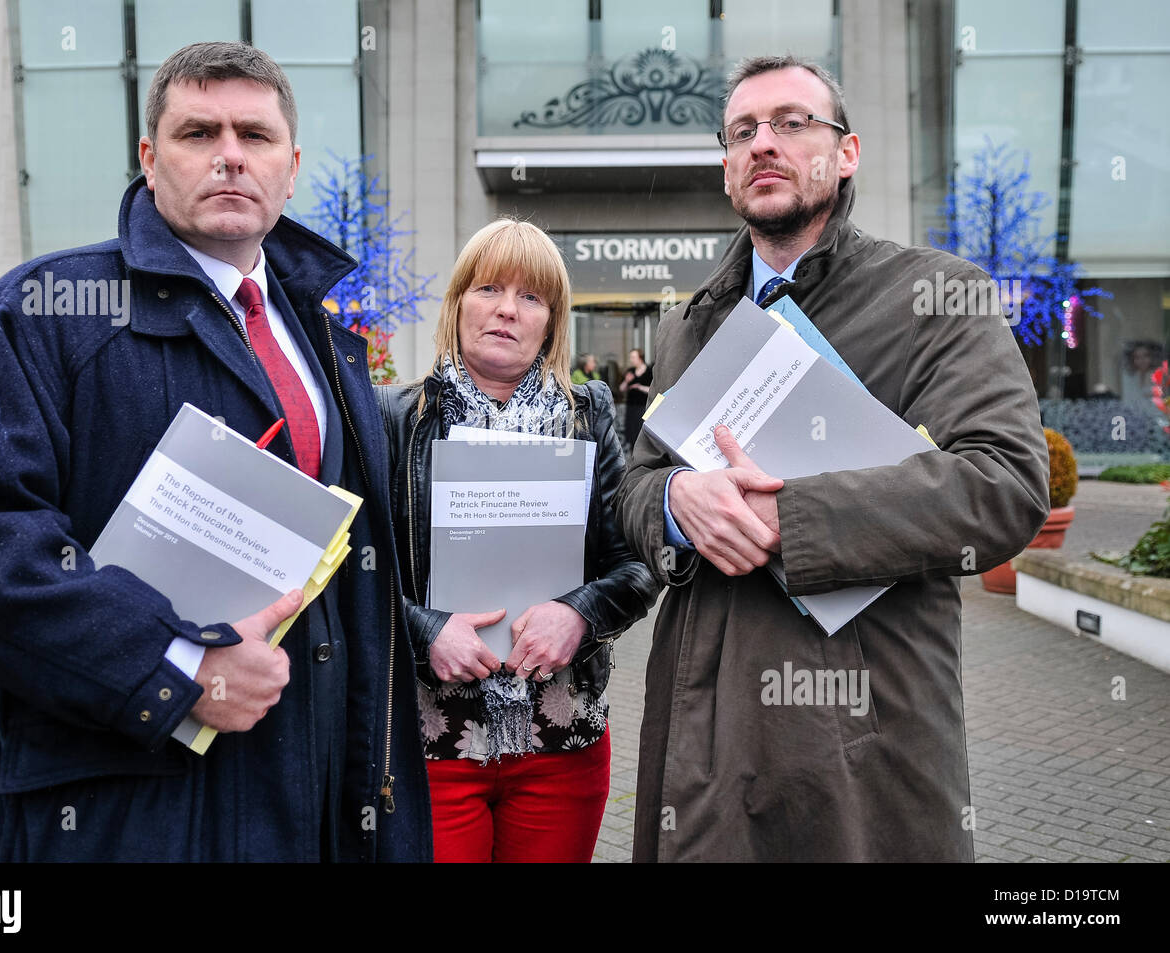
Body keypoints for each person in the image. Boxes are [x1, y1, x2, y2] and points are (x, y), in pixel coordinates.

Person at [0, 42, 431, 862]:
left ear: (290, 169)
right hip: (135, 814)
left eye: (253, 136)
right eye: (196, 133)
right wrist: (174, 666)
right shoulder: (42, 313)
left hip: (321, 796)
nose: (228, 156)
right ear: (149, 159)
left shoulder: (326, 341)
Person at [614, 55, 1049, 862]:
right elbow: (634, 486)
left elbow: (1005, 481)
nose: (763, 144)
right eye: (742, 131)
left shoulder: (934, 297)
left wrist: (792, 519)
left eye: (790, 122)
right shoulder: (691, 325)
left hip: (862, 742)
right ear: (725, 168)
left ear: (845, 153)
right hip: (703, 727)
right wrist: (679, 500)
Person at [376, 219, 657, 862]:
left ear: (553, 322)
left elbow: (636, 565)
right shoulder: (397, 418)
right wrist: (424, 630)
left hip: (561, 740)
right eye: (489, 289)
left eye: (531, 297)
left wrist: (579, 616)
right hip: (433, 743)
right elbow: (360, 571)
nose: (507, 309)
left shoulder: (588, 416)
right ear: (457, 305)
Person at [618, 347, 653, 448]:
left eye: (633, 357)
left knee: (640, 430)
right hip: (631, 405)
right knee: (631, 431)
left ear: (640, 358)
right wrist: (627, 381)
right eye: (630, 357)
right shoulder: (630, 371)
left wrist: (639, 387)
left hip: (643, 406)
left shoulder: (649, 371)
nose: (631, 360)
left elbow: (653, 389)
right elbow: (621, 389)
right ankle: (632, 453)